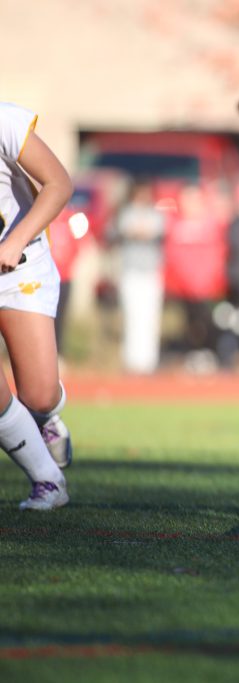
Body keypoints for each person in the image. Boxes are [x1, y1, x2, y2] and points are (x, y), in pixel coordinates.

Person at [0, 102, 73, 510]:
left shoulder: (4, 120)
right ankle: (47, 481)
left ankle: (46, 418)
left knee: (38, 395)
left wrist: (15, 241)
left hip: (20, 266)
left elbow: (59, 184)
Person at [113, 178, 166, 374]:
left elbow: (155, 231)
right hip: (131, 270)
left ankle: (148, 361)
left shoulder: (156, 214)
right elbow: (126, 230)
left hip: (151, 271)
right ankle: (132, 360)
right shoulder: (126, 213)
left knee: (150, 317)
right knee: (133, 316)